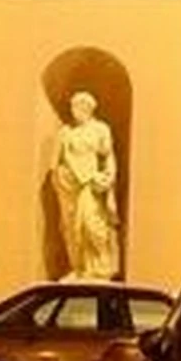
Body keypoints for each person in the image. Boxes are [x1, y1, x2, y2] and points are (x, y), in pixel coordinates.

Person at [48, 91, 121, 279]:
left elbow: (108, 156)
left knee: (92, 223)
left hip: (92, 184)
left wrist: (108, 176)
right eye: (73, 107)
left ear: (89, 108)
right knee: (72, 228)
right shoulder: (65, 132)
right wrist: (62, 179)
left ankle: (101, 267)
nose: (75, 111)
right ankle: (79, 268)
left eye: (79, 107)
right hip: (70, 186)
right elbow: (54, 164)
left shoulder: (100, 129)